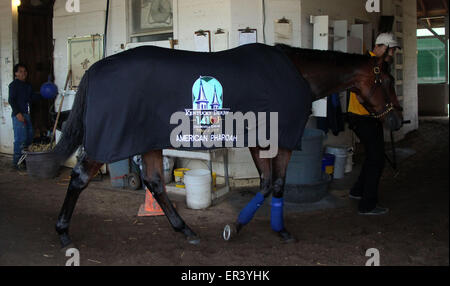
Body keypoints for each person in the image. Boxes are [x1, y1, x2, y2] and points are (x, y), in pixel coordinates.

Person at [347, 33, 400, 215]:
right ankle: (367, 205)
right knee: (377, 159)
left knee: (373, 156)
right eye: (391, 50)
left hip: (369, 118)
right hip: (363, 118)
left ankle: (357, 191)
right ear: (383, 47)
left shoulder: (378, 65)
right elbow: (362, 96)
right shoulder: (367, 65)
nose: (393, 54)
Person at [8, 63, 40, 169]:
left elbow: (31, 98)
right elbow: (11, 100)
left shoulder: (28, 86)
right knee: (20, 139)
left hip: (27, 115)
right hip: (18, 116)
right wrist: (17, 113)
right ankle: (16, 163)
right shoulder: (13, 85)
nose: (23, 73)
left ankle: (25, 161)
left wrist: (43, 94)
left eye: (25, 71)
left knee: (29, 138)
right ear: (16, 73)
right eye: (20, 71)